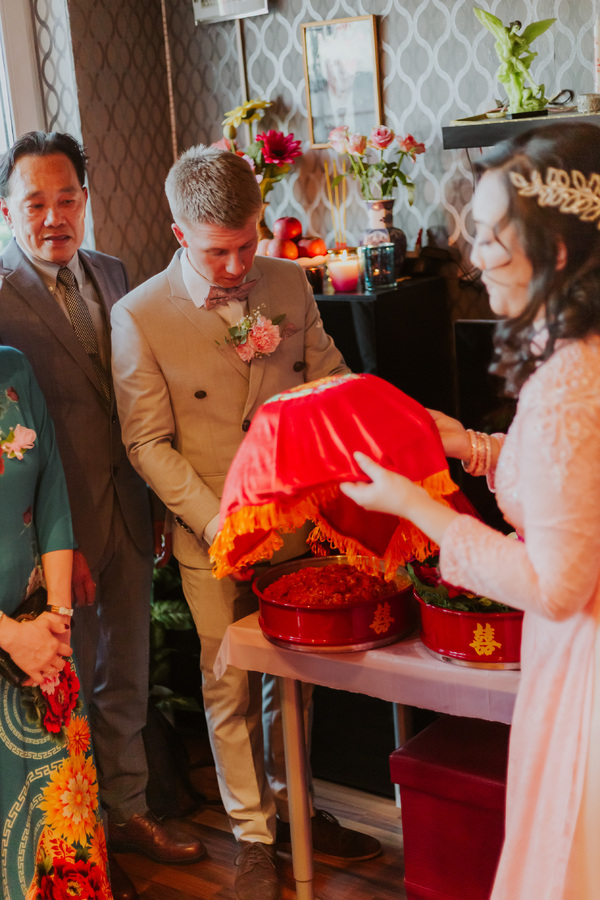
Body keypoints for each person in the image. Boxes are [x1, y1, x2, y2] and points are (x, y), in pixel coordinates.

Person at [110, 145, 381, 900]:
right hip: (213, 534)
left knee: (295, 681)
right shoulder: (139, 316)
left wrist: (373, 422)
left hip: (293, 520)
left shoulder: (289, 280)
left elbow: (327, 377)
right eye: (217, 252)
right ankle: (253, 839)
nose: (236, 267)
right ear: (179, 234)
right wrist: (217, 521)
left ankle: (296, 811)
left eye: (246, 245)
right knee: (227, 683)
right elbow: (146, 442)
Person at [340, 121, 600, 900]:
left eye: (489, 237)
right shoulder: (584, 358)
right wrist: (471, 446)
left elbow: (555, 585)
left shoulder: (567, 387)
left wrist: (417, 507)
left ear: (555, 253)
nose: (472, 256)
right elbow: (576, 488)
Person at [0, 132, 205, 900]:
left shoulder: (113, 273)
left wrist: (151, 504)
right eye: (35, 204)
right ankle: (82, 837)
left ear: (85, 200)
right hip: (60, 537)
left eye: (67, 199)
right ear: (8, 211)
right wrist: (64, 544)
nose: (53, 217)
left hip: (128, 507)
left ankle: (131, 811)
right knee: (73, 683)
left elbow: (132, 398)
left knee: (127, 672)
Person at [0, 345, 114, 898]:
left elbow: (52, 497)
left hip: (41, 635)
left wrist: (57, 617)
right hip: (15, 638)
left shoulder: (14, 367)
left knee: (62, 830)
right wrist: (10, 637)